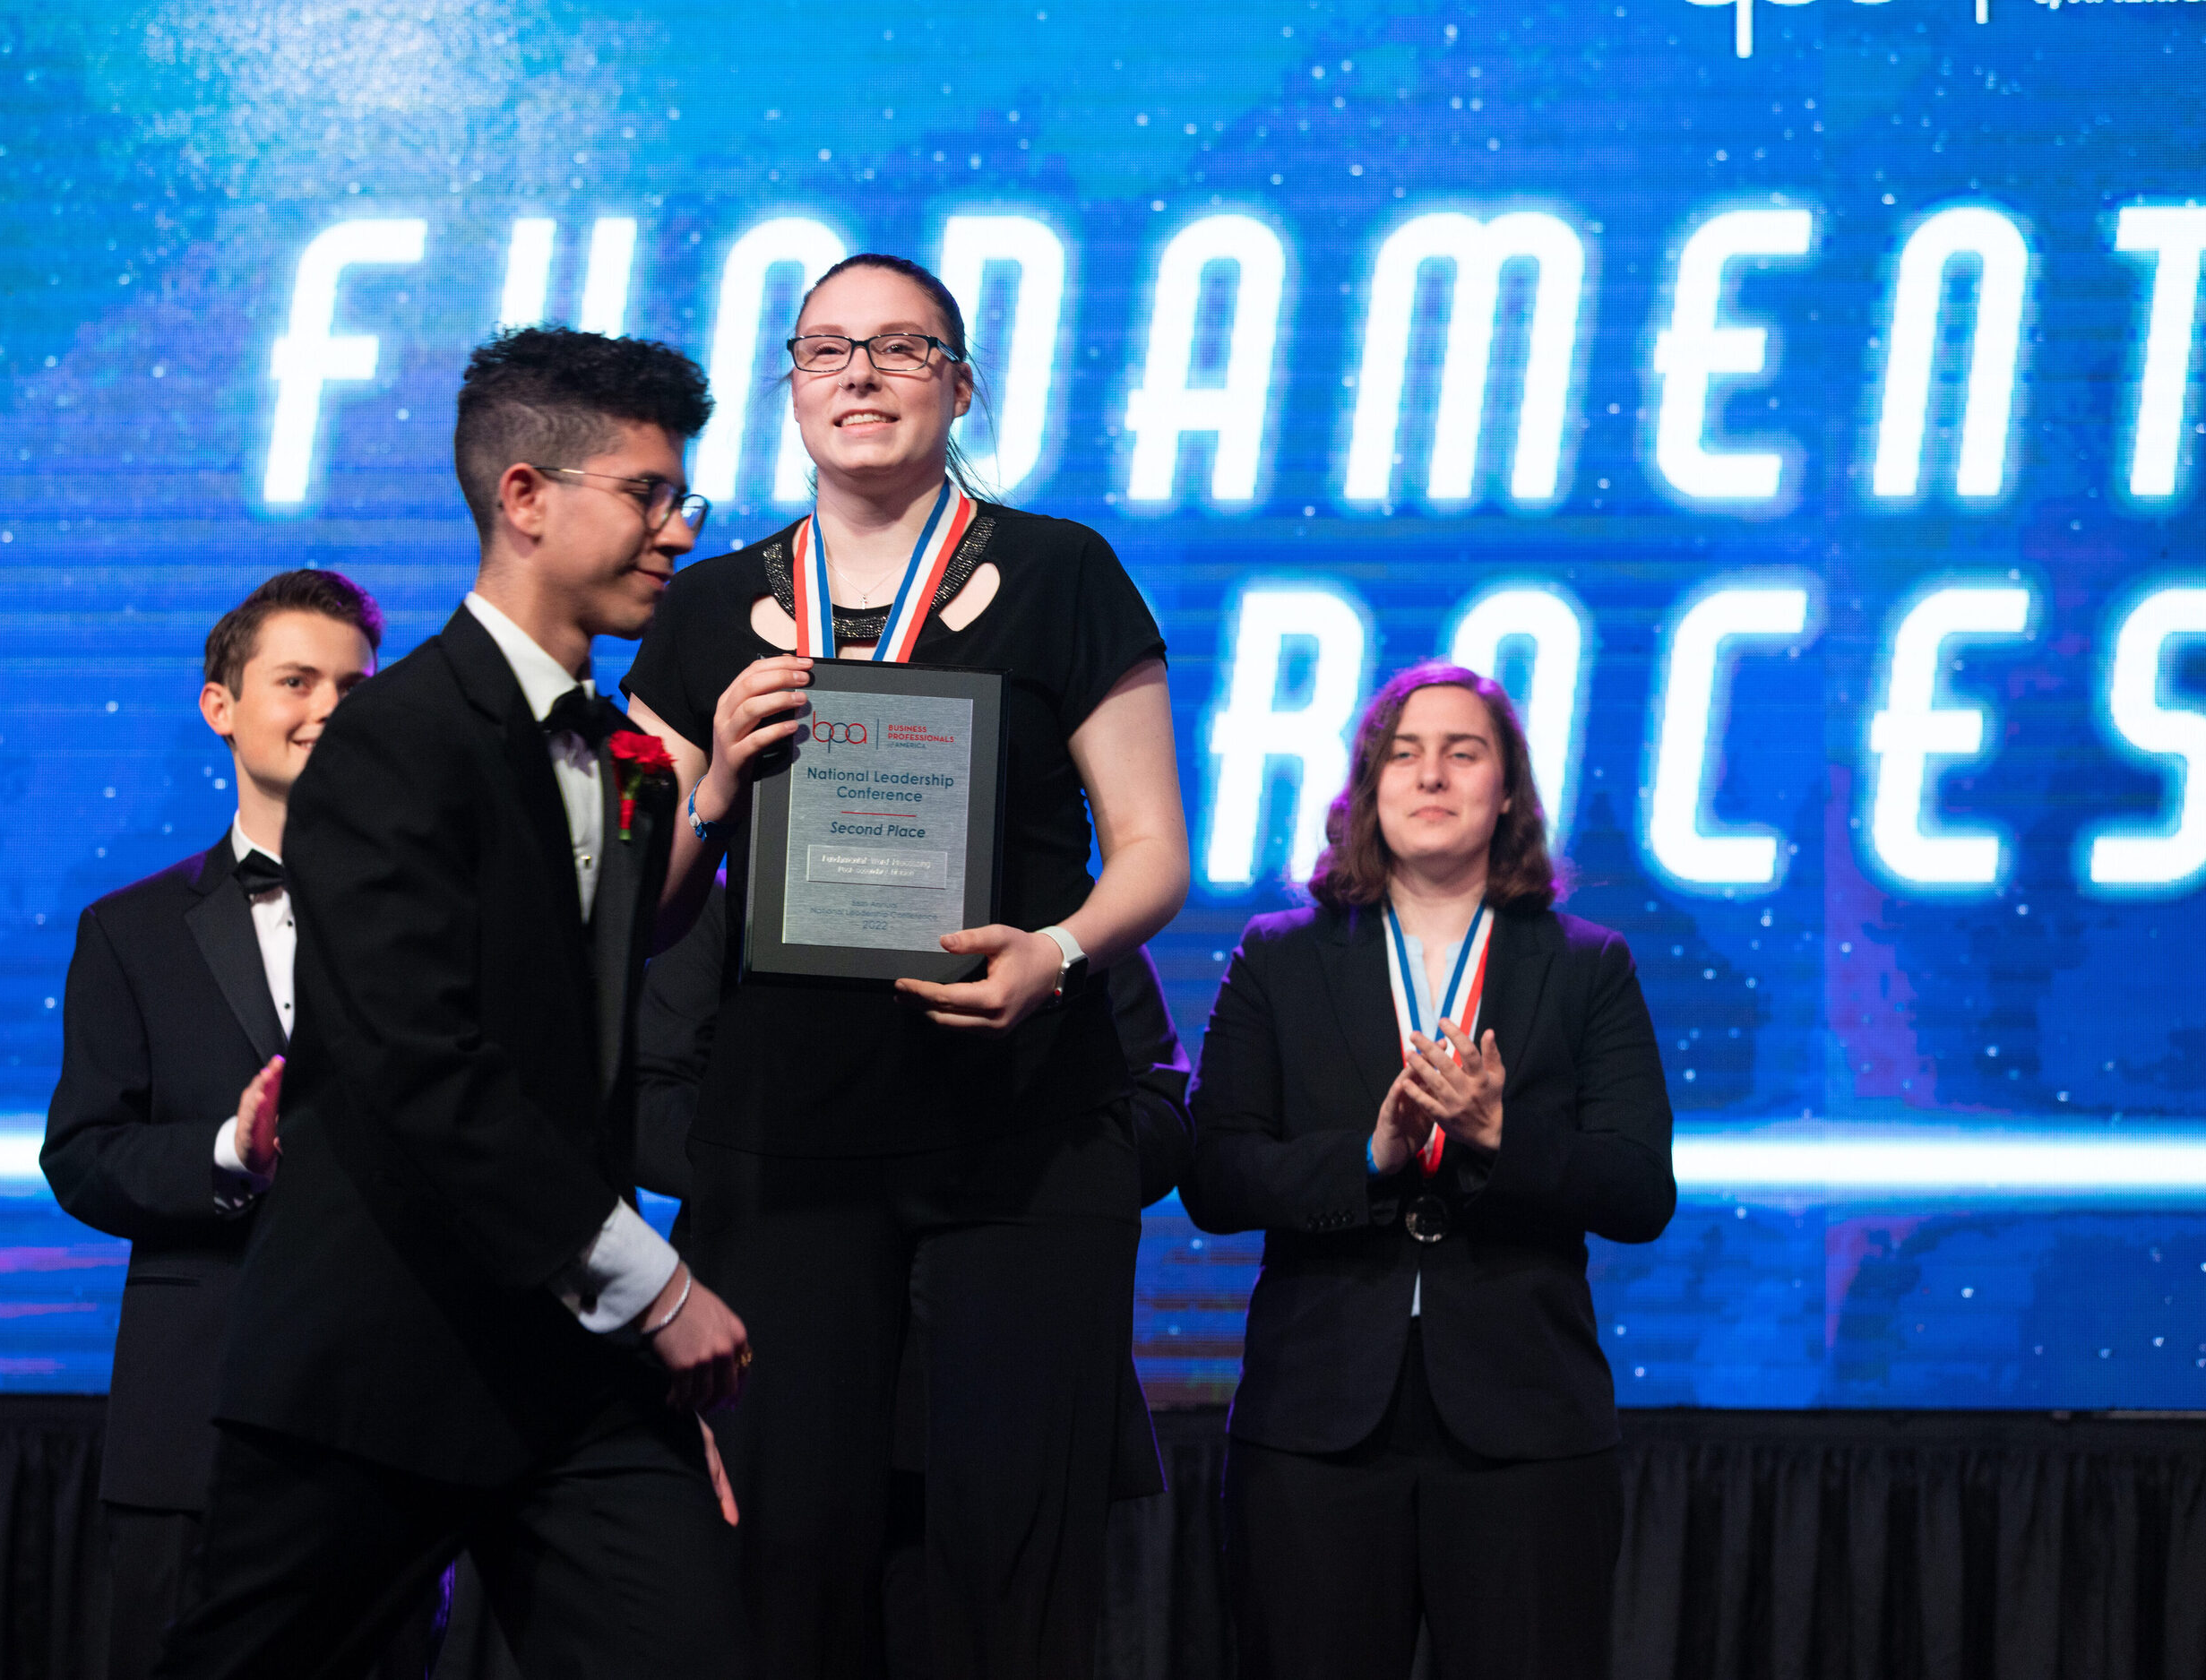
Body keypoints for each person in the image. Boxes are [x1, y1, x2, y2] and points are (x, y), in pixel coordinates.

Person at [620, 254, 1191, 1679]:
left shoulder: (1060, 572)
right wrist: (712, 781)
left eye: (900, 346)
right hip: (789, 1143)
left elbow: (1151, 852)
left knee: (1014, 1567)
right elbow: (646, 908)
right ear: (790, 386)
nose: (860, 374)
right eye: (825, 349)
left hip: (1018, 1126)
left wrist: (1055, 951)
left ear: (961, 383)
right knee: (785, 1562)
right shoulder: (705, 608)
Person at [152, 326, 750, 1679]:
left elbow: (584, 1026)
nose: (677, 529)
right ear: (524, 497)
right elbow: (415, 1056)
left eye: (683, 498)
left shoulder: (625, 752)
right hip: (380, 1348)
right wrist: (654, 1285)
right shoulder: (389, 737)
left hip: (575, 1366)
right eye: (647, 493)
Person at [1181, 660, 1677, 1680]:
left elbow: (1639, 1190)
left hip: (1526, 1429)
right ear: (1368, 789)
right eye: (1403, 754)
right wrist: (1370, 1158)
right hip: (1315, 1426)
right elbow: (1215, 1176)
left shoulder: (1587, 962)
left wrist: (1499, 1135)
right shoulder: (1278, 955)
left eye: (1463, 753)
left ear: (1508, 792)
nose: (1432, 775)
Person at [625, 881, 1193, 1680]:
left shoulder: (1055, 896)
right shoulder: (749, 887)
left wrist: (1026, 1172)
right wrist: (806, 1165)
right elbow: (645, 1098)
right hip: (787, 1377)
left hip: (1002, 1383)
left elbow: (1164, 1105)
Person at [41, 568, 400, 1680]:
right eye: (296, 681)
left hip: (387, 1420)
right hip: (193, 1423)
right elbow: (83, 1156)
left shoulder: (435, 920)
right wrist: (227, 1154)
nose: (327, 708)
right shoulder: (132, 931)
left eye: (352, 687)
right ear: (221, 706)